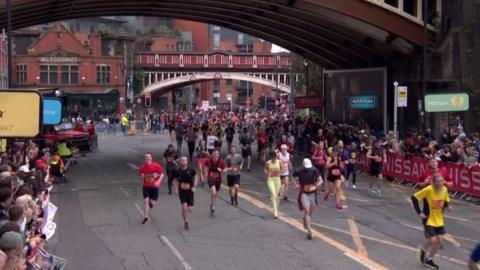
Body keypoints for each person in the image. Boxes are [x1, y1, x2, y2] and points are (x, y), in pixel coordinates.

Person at [411, 173, 451, 269]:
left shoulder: (444, 189)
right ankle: (423, 249)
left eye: (442, 181)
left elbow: (445, 200)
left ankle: (429, 259)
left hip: (439, 219)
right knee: (433, 240)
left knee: (440, 241)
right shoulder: (428, 189)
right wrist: (419, 213)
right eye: (438, 181)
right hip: (428, 218)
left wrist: (448, 206)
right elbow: (414, 198)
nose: (441, 183)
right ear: (433, 182)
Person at [292, 158, 323, 240]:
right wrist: (296, 184)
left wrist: (315, 186)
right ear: (303, 165)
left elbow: (321, 180)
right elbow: (293, 177)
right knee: (307, 209)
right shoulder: (298, 170)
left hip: (312, 193)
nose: (307, 168)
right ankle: (309, 229)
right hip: (303, 193)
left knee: (310, 211)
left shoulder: (314, 170)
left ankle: (305, 218)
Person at [172, 155, 197, 230]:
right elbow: (174, 181)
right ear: (180, 161)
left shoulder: (191, 170)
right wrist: (176, 189)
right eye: (182, 160)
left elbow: (196, 177)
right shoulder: (177, 171)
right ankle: (186, 222)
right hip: (182, 191)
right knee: (184, 207)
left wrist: (194, 186)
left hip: (190, 191)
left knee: (190, 209)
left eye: (185, 160)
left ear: (187, 161)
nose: (184, 161)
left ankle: (184, 211)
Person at [138, 153, 164, 224]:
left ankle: (149, 206)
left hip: (155, 187)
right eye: (146, 158)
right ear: (145, 159)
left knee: (152, 203)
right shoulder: (142, 167)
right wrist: (142, 176)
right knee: (146, 201)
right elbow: (140, 177)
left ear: (151, 158)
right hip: (146, 186)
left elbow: (162, 174)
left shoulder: (156, 166)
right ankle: (146, 217)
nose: (148, 159)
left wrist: (158, 181)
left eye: (149, 157)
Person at [204, 150, 226, 218]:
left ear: (219, 154)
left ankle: (212, 204)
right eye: (214, 153)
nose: (216, 154)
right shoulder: (208, 161)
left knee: (215, 194)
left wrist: (221, 170)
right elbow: (205, 167)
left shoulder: (221, 161)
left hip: (218, 179)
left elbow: (225, 169)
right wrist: (206, 173)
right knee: (213, 192)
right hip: (211, 178)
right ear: (212, 154)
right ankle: (213, 207)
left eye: (217, 153)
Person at [264, 151, 281, 218]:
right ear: (271, 157)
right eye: (272, 157)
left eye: (275, 157)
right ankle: (275, 212)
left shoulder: (279, 162)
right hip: (270, 179)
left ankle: (272, 202)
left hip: (277, 179)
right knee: (273, 194)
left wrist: (279, 172)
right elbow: (265, 169)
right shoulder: (268, 162)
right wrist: (268, 173)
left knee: (276, 196)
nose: (274, 158)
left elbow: (283, 169)